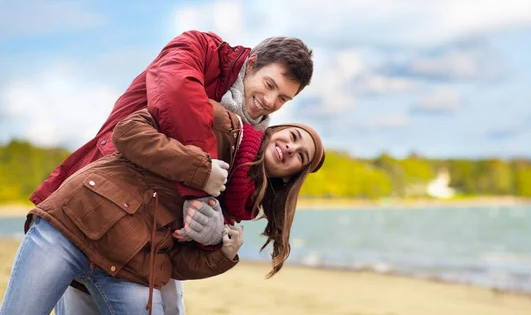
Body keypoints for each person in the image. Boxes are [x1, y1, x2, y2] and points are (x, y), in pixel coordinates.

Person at [25, 30, 313, 314]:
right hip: (97, 201)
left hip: (150, 237)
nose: (271, 101)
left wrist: (218, 238)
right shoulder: (201, 50)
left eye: (284, 99)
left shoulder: (249, 139)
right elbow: (176, 99)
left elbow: (210, 204)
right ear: (251, 64)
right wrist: (200, 184)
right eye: (269, 84)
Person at [0, 101, 326, 315]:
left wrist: (219, 252)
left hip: (127, 268)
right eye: (294, 136)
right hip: (71, 228)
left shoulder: (237, 209)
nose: (291, 147)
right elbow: (129, 129)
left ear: (290, 177)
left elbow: (174, 261)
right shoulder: (224, 125)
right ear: (276, 130)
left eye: (300, 156)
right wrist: (198, 170)